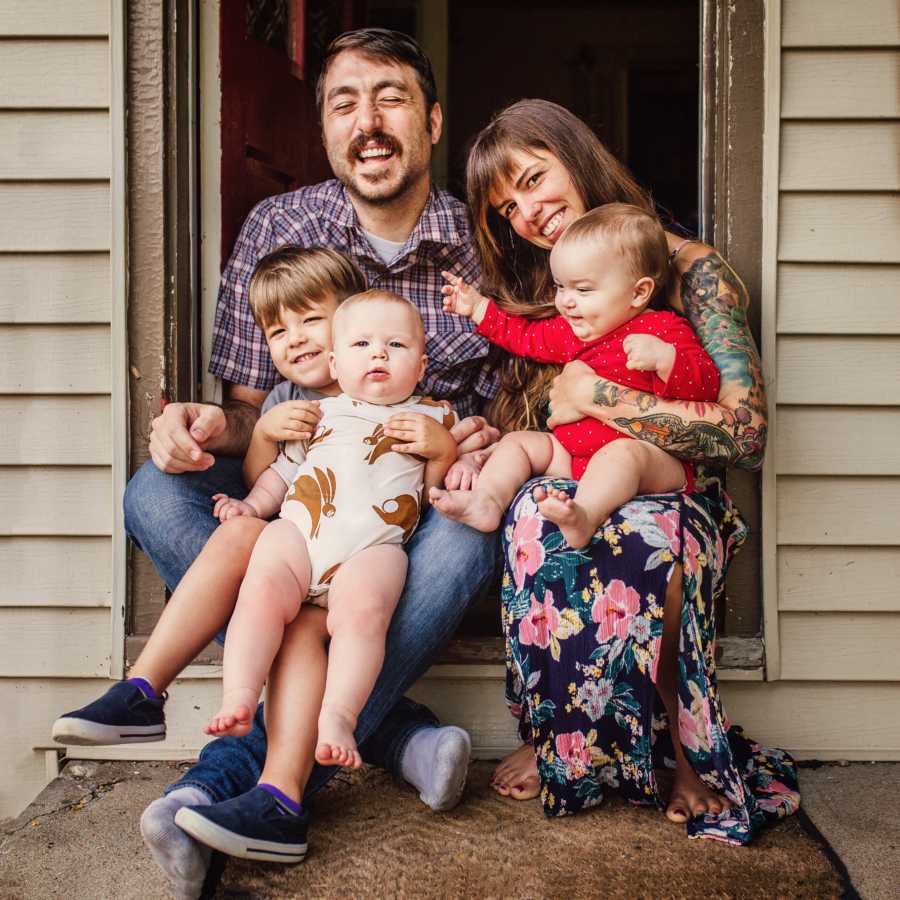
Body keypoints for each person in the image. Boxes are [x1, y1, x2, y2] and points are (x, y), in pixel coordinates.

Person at [96, 28, 499, 899]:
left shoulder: (486, 246)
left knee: (469, 538)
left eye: (390, 97)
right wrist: (208, 424)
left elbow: (517, 400)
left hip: (411, 526)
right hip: (302, 502)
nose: (369, 122)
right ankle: (391, 733)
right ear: (323, 129)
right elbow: (252, 418)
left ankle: (234, 778)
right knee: (154, 493)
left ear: (432, 121)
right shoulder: (281, 225)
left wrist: (465, 451)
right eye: (344, 104)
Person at [461, 99, 799, 845]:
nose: (526, 213)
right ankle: (562, 740)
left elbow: (745, 434)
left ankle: (685, 753)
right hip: (577, 470)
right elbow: (544, 412)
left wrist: (604, 397)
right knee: (530, 514)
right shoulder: (551, 284)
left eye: (534, 180)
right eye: (507, 208)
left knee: (649, 540)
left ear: (575, 153)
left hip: (673, 483)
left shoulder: (691, 271)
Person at [433, 203, 719, 549]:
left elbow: (707, 384)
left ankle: (583, 515)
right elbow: (525, 338)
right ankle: (487, 500)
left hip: (650, 462)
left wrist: (667, 360)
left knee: (623, 454)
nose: (566, 302)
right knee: (518, 443)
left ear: (639, 292)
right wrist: (478, 308)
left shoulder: (662, 329)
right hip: (574, 456)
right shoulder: (574, 331)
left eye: (582, 290)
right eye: (560, 287)